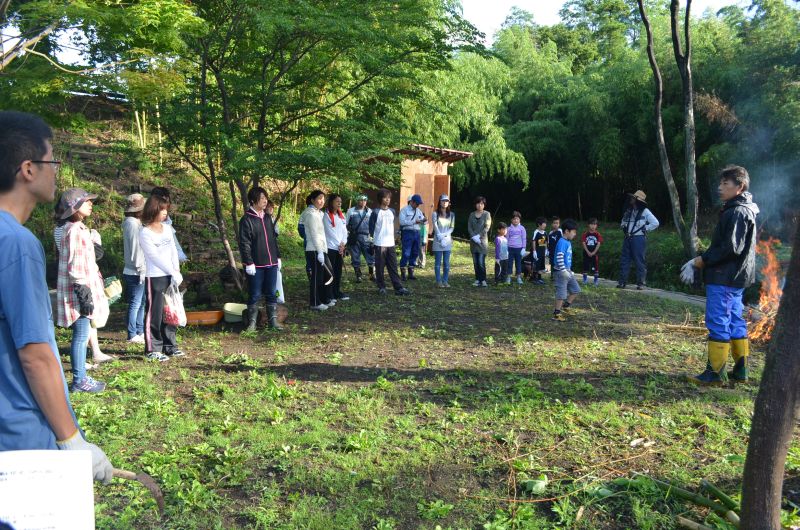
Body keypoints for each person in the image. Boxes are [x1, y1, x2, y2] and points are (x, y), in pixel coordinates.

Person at [0, 110, 112, 482]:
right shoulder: (16, 244)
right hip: (21, 436)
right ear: (28, 169)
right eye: (52, 162)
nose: (56, 173)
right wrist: (71, 439)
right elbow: (34, 355)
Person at [681, 166, 759, 385]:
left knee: (718, 321)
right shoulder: (743, 209)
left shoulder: (737, 212)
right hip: (736, 277)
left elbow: (729, 248)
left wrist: (701, 260)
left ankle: (715, 374)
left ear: (739, 187)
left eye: (726, 184)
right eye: (720, 183)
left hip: (724, 276)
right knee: (735, 320)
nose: (720, 187)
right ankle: (741, 371)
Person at [55, 188, 110, 393]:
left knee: (82, 334)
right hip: (78, 292)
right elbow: (75, 265)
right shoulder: (75, 231)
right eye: (86, 201)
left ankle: (81, 377)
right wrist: (84, 293)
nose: (91, 204)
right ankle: (79, 379)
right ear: (74, 207)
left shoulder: (76, 228)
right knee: (80, 335)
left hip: (80, 289)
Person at [140, 194, 185, 360]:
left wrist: (176, 270)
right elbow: (154, 256)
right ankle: (153, 349)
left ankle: (169, 346)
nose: (165, 213)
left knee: (170, 311)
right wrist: (172, 271)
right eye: (162, 209)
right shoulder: (145, 233)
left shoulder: (166, 228)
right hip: (155, 277)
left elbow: (173, 250)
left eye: (166, 209)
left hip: (170, 275)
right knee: (155, 313)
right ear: (154, 210)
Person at [239, 186, 282, 331]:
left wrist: (278, 256)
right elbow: (244, 243)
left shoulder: (267, 217)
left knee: (271, 293)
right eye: (262, 198)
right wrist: (248, 262)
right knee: (255, 294)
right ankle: (252, 324)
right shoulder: (247, 219)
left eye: (265, 198)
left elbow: (273, 239)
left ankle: (273, 322)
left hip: (271, 262)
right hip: (256, 264)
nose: (265, 201)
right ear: (253, 200)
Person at [369, 189, 410, 296]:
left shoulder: (392, 211)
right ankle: (381, 287)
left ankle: (398, 287)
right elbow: (371, 229)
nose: (388, 200)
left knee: (393, 266)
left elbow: (394, 226)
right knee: (379, 267)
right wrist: (372, 242)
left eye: (389, 198)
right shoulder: (375, 212)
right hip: (379, 243)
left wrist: (396, 238)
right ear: (380, 199)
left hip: (390, 243)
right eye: (385, 197)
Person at [617, 190, 659, 289]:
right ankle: (622, 282)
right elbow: (622, 223)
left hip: (639, 238)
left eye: (633, 198)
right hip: (627, 237)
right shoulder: (629, 211)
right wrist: (624, 226)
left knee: (639, 261)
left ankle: (641, 283)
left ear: (638, 200)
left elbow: (656, 223)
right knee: (624, 260)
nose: (631, 199)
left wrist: (646, 228)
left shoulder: (645, 211)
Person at [299, 190, 333, 310]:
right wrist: (319, 252)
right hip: (314, 249)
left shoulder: (319, 213)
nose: (322, 201)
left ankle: (323, 298)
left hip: (321, 248)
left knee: (327, 274)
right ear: (313, 200)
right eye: (319, 198)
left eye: (323, 198)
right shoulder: (311, 214)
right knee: (317, 277)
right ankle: (314, 302)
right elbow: (314, 234)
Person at [122, 193, 147, 343]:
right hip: (135, 270)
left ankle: (139, 329)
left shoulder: (136, 222)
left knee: (141, 301)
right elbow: (135, 248)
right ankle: (132, 333)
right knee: (135, 302)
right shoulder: (131, 223)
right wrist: (141, 268)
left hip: (139, 269)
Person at [552, 219, 581, 321]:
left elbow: (566, 258)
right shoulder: (562, 242)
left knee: (576, 289)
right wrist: (563, 270)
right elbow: (559, 257)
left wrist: (569, 270)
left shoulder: (568, 242)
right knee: (561, 294)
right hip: (561, 272)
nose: (575, 234)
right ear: (567, 231)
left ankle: (566, 306)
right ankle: (556, 314)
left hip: (567, 271)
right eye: (574, 232)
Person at [323, 194, 349, 303]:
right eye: (337, 201)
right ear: (331, 202)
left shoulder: (341, 216)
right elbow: (330, 232)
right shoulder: (326, 215)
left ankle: (336, 291)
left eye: (340, 202)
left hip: (340, 248)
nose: (339, 203)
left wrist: (343, 243)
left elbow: (344, 231)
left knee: (338, 271)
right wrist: (340, 245)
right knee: (330, 272)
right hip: (330, 247)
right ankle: (329, 294)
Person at [150, 186, 187, 263]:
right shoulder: (150, 222)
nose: (168, 204)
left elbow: (173, 241)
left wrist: (180, 255)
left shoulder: (166, 220)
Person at [345, 194, 374, 283]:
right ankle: (358, 276)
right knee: (355, 257)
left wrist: (373, 237)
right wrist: (348, 235)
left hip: (366, 237)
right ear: (357, 201)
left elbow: (373, 225)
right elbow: (346, 224)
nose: (363, 202)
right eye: (361, 200)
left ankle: (371, 275)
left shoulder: (370, 211)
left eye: (365, 200)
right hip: (354, 237)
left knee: (370, 256)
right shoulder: (351, 211)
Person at [398, 194, 425, 281]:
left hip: (417, 232)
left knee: (415, 252)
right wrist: (414, 221)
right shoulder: (404, 210)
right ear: (412, 202)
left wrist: (424, 220)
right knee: (406, 253)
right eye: (417, 203)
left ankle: (411, 273)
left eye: (419, 204)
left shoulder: (418, 211)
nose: (418, 205)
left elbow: (423, 220)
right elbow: (402, 222)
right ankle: (403, 273)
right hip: (407, 232)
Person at [431, 194, 454, 288]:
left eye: (446, 201)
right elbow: (435, 226)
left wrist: (445, 235)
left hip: (447, 240)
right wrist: (440, 236)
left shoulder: (451, 214)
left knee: (446, 262)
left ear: (449, 203)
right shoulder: (435, 213)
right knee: (438, 262)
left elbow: (452, 227)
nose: (445, 203)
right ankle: (438, 281)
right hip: (438, 240)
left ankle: (445, 280)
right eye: (443, 201)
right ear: (439, 202)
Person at [468, 196, 492, 287]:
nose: (479, 205)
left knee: (481, 262)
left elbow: (487, 227)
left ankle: (483, 280)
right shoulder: (471, 214)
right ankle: (477, 279)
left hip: (482, 242)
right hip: (473, 242)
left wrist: (479, 235)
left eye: (482, 203)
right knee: (475, 262)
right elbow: (469, 227)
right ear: (475, 204)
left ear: (484, 205)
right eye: (478, 203)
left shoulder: (487, 214)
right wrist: (473, 236)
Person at [582, 218, 603, 286]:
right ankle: (584, 279)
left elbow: (599, 243)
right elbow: (583, 243)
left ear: (596, 225)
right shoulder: (585, 234)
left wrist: (594, 252)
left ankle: (595, 280)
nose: (593, 226)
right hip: (586, 252)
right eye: (591, 224)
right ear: (588, 225)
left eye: (594, 224)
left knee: (595, 266)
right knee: (585, 265)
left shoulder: (597, 234)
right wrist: (587, 251)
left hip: (595, 253)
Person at [507, 211, 527, 285]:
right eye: (514, 219)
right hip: (510, 248)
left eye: (517, 219)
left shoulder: (522, 228)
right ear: (511, 220)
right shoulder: (508, 229)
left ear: (519, 220)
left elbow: (524, 238)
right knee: (509, 263)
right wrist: (506, 249)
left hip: (519, 249)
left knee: (518, 263)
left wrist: (523, 248)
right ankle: (508, 277)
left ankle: (518, 277)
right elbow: (507, 238)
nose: (516, 220)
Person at [530, 217, 548, 284]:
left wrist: (546, 249)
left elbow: (546, 241)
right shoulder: (536, 232)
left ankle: (539, 278)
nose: (545, 225)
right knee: (536, 265)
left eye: (545, 223)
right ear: (539, 224)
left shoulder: (545, 233)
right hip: (537, 252)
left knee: (541, 265)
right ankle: (534, 278)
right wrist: (534, 251)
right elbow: (533, 241)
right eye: (544, 223)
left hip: (542, 252)